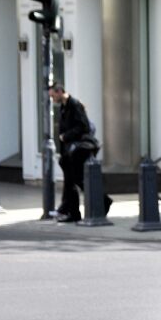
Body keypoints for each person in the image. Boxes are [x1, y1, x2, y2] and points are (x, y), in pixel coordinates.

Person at [49, 85, 111, 223]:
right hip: (70, 151)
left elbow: (84, 127)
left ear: (60, 92)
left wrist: (66, 136)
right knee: (71, 181)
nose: (52, 99)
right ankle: (72, 212)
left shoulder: (75, 105)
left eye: (53, 96)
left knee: (78, 180)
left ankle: (104, 201)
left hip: (80, 149)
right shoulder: (64, 107)